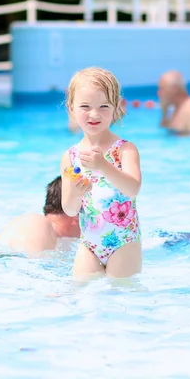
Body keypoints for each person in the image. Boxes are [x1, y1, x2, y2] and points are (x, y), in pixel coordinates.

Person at [60, 67, 143, 280]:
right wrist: (77, 194)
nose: (94, 114)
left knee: (122, 293)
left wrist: (103, 166)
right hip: (89, 243)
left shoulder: (125, 149)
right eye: (85, 106)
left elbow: (132, 189)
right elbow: (69, 210)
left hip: (124, 241)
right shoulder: (70, 156)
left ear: (116, 108)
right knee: (82, 293)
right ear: (71, 109)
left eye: (104, 106)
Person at [158, 70, 190, 136]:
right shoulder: (176, 108)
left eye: (162, 89)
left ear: (174, 89)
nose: (159, 93)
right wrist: (164, 113)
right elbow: (166, 133)